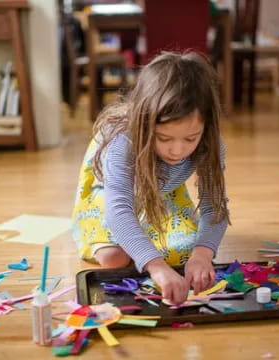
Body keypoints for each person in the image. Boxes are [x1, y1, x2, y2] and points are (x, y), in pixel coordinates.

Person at [71, 51, 230, 304]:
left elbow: (215, 205)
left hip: (163, 188)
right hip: (109, 191)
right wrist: (155, 266)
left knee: (185, 251)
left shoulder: (211, 142)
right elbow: (119, 209)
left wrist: (202, 255)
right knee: (115, 258)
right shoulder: (122, 141)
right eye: (164, 138)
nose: (177, 151)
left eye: (190, 138)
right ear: (144, 123)